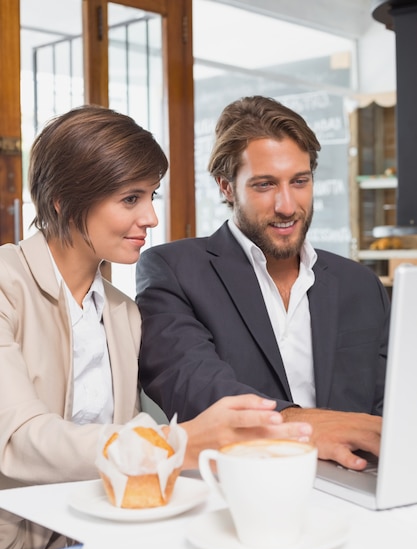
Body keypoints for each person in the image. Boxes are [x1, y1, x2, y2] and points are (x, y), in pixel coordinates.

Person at [0, 104, 310, 485]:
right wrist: (175, 442)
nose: (151, 218)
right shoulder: (7, 285)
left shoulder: (123, 312)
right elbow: (17, 439)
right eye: (130, 199)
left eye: (151, 196)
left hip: (98, 528)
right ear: (62, 201)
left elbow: (128, 464)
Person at [136, 95, 390, 471]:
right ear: (226, 187)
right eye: (265, 185)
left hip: (358, 488)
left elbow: (393, 406)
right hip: (239, 488)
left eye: (299, 181)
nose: (287, 205)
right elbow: (195, 385)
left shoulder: (360, 284)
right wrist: (299, 425)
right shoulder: (173, 270)